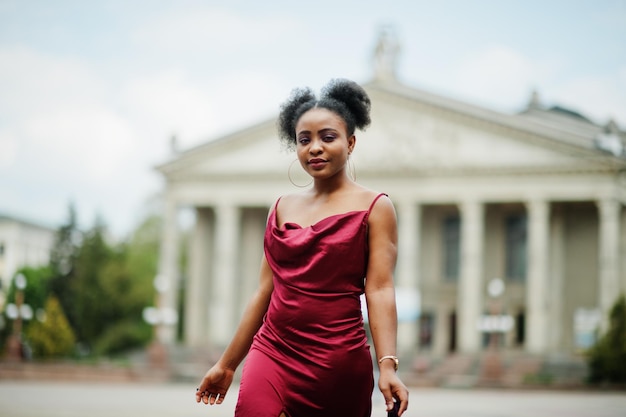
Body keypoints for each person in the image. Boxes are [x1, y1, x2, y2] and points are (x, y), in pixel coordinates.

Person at [195, 78, 409, 417]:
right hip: (273, 351)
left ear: (350, 143)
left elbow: (380, 289)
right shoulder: (281, 206)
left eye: (328, 137)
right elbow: (264, 291)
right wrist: (227, 364)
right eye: (304, 139)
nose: (315, 148)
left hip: (337, 360)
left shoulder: (376, 207)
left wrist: (387, 366)